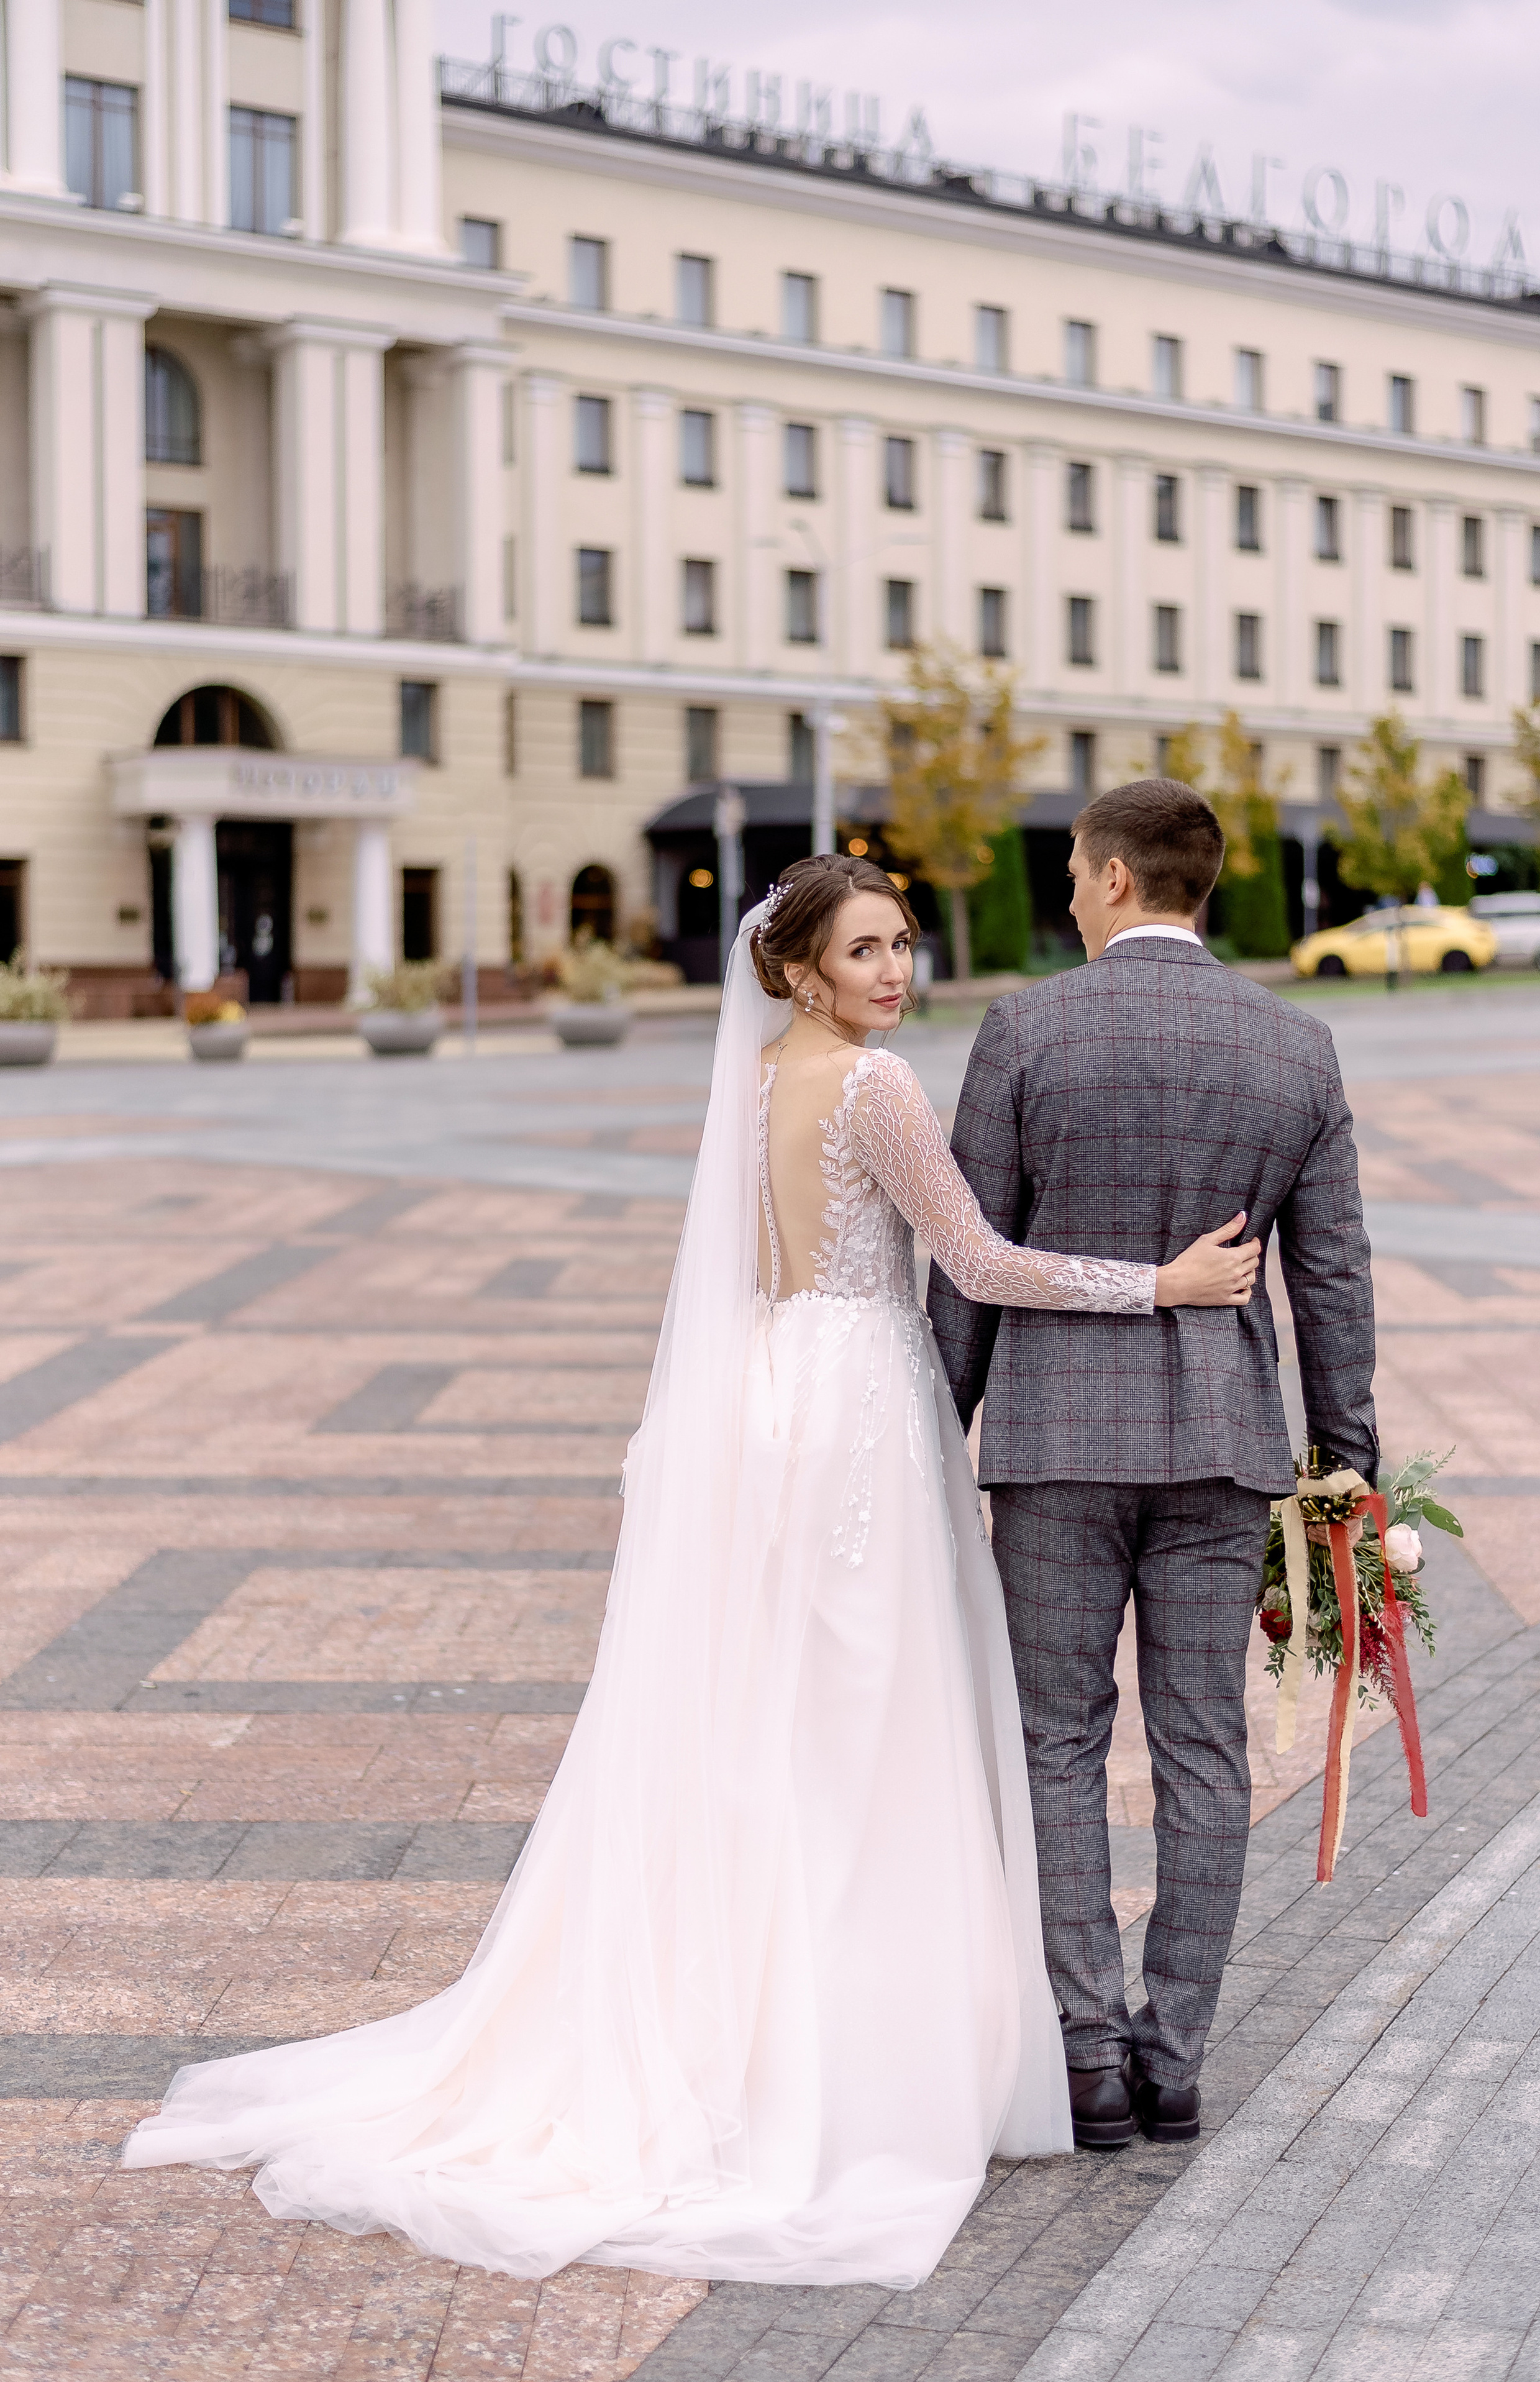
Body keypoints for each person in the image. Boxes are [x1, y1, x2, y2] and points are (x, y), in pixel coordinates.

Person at [122, 854, 1259, 2289]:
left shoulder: (755, 1087)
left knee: (773, 1721)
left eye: (902, 946)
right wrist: (1153, 1284)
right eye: (864, 953)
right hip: (854, 1417)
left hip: (767, 1403)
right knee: (865, 1724)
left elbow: (741, 1283)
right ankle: (854, 2045)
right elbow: (974, 1262)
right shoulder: (876, 1089)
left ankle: (763, 2012)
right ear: (797, 971)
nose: (895, 973)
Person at [928, 779, 1377, 2152]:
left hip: (1056, 1447)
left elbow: (967, 1262)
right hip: (1221, 1450)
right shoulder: (1295, 1049)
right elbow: (1332, 1281)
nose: (1063, 890)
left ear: (1117, 879)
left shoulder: (1023, 1030)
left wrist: (936, 1431)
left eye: (1070, 869)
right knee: (1201, 1747)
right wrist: (1341, 1464)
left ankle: (1085, 2057)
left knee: (1053, 1744)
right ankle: (1173, 2055)